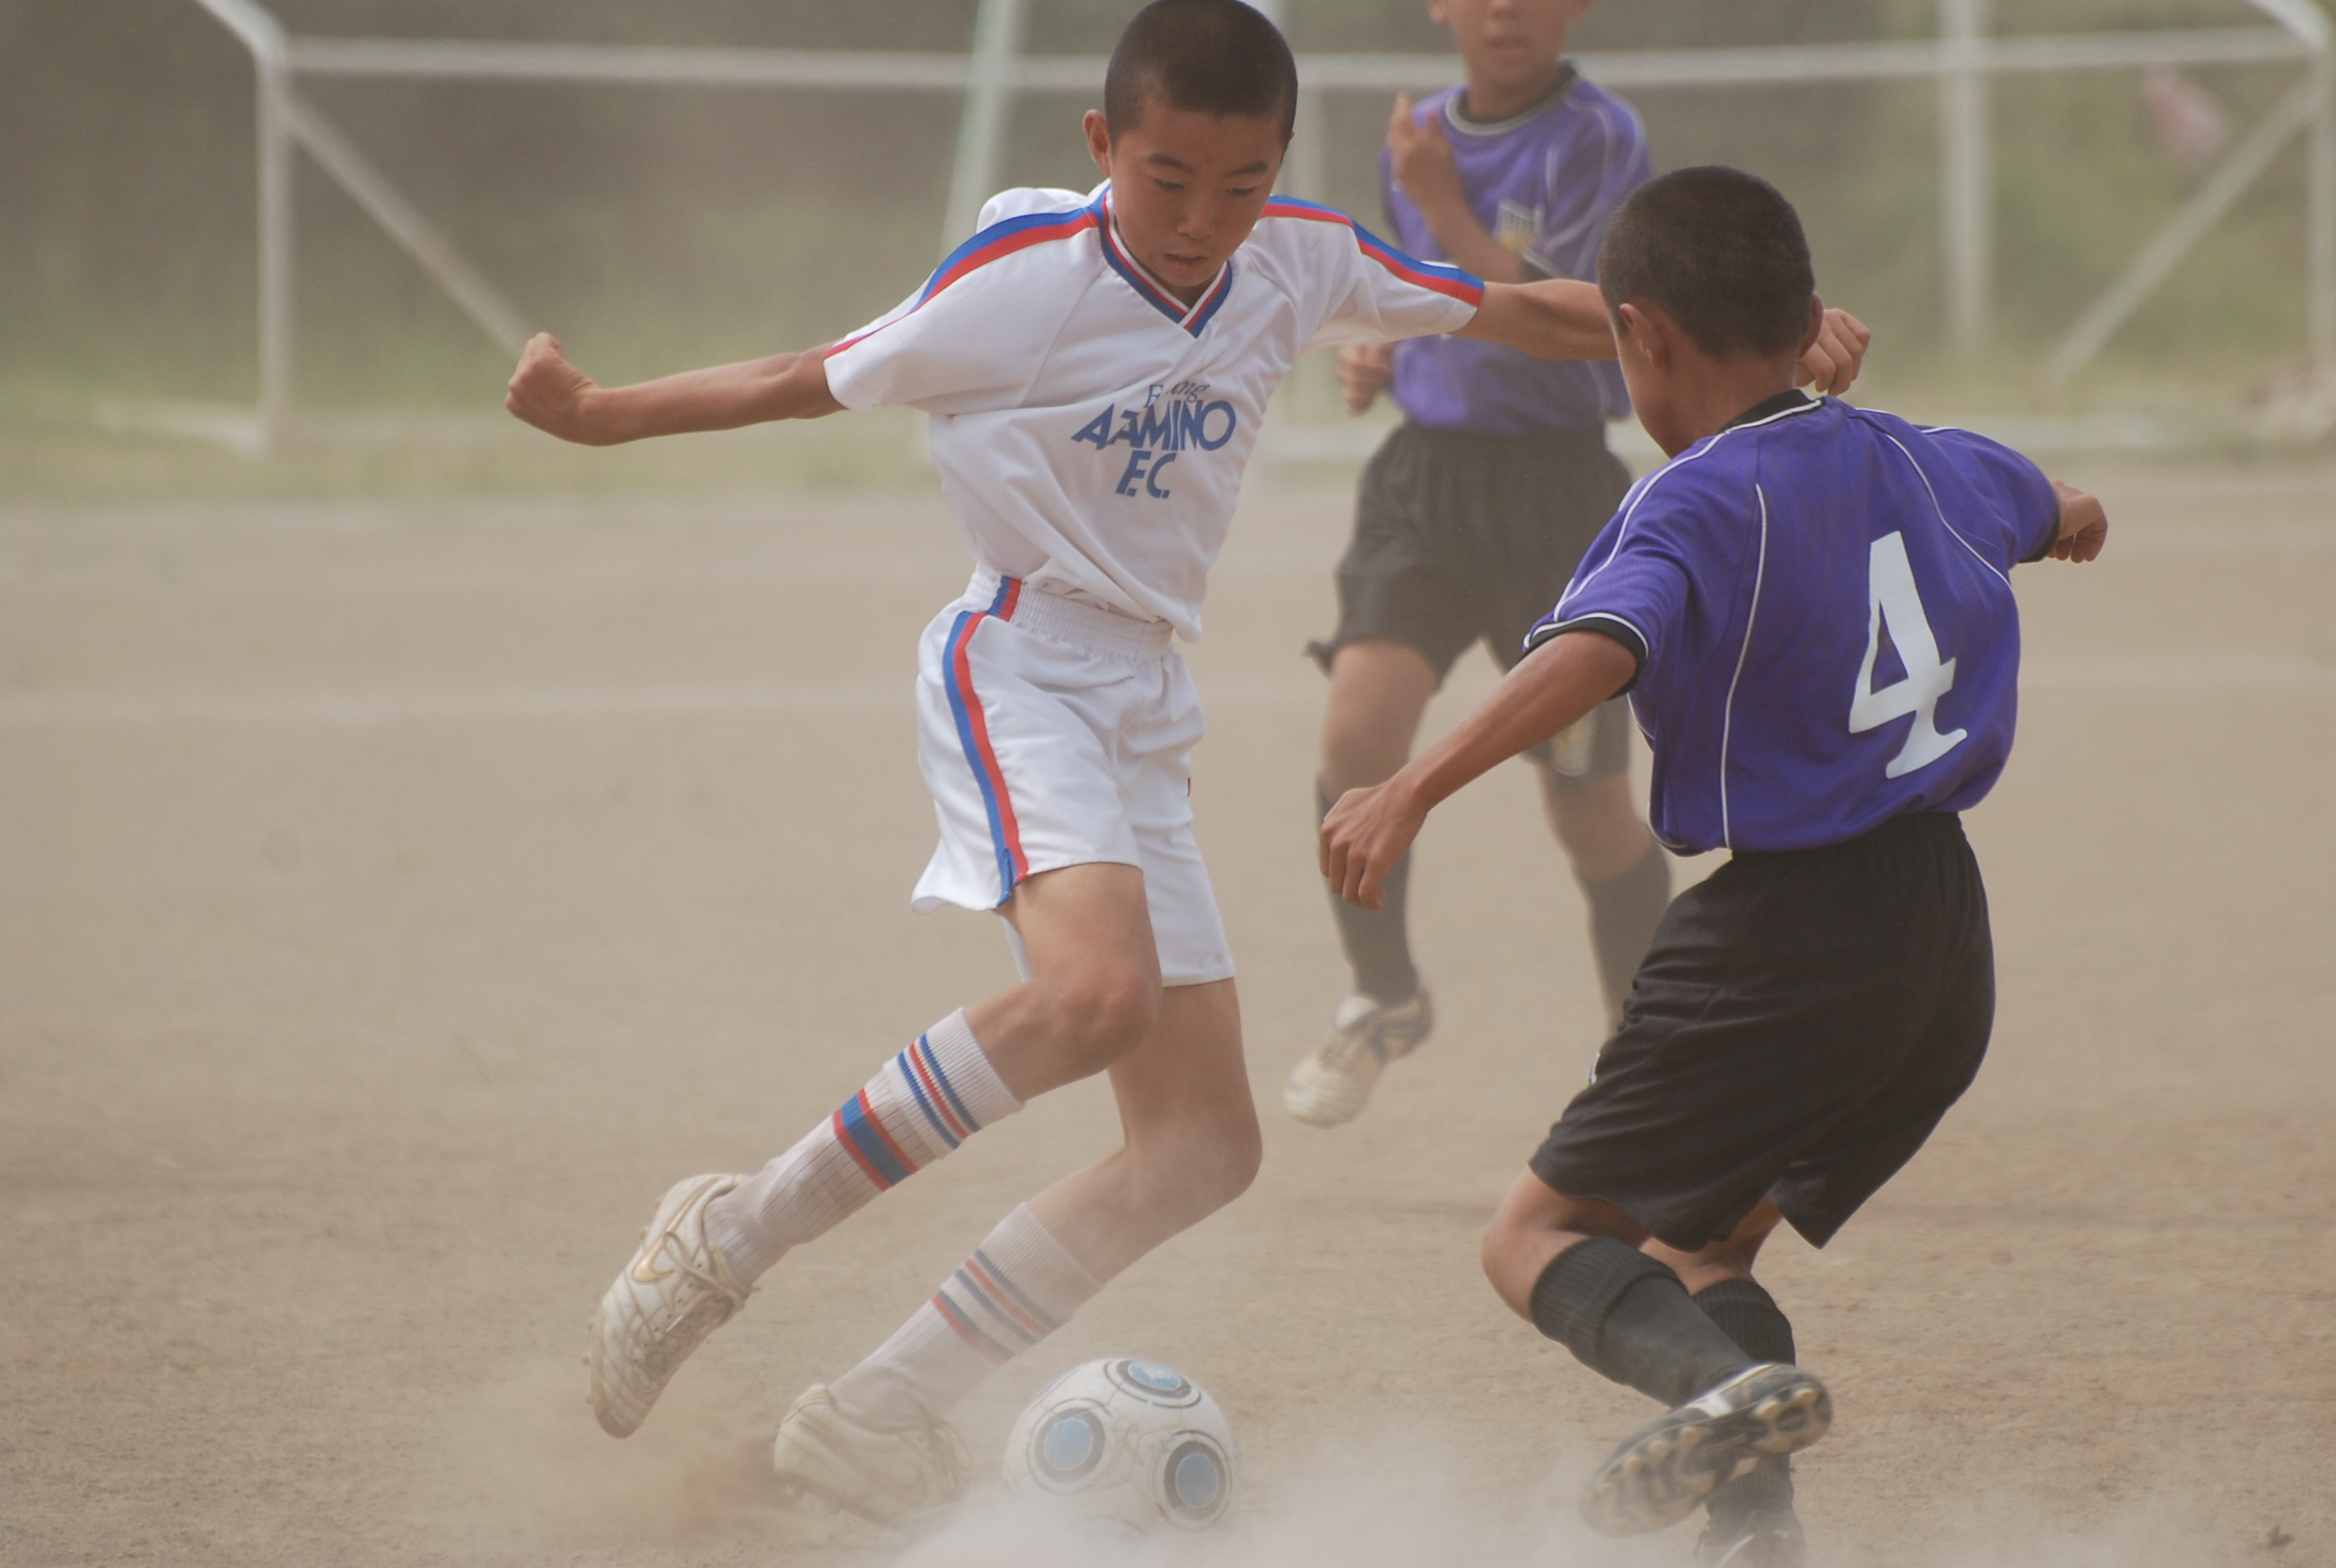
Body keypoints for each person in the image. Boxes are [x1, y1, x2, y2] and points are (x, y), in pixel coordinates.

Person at [505, 0, 1870, 1532]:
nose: (1204, 218)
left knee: (1203, 1148)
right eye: (1168, 178)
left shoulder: (1298, 256)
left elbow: (1523, 311)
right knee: (1095, 996)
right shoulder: (1025, 275)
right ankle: (725, 1238)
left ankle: (874, 1412)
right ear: (1104, 144)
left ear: (1280, 163)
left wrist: (1761, 345)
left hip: (1145, 701)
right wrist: (601, 415)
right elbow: (807, 371)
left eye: (1242, 181)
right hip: (1019, 661)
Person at [1320, 165, 2107, 1567]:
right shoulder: (1930, 455)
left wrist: (1412, 786)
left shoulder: (1689, 503)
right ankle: (1756, 1534)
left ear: (1641, 337)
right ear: (1809, 322)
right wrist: (2060, 522)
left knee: (1532, 1239)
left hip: (1785, 940)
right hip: (1945, 943)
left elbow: (1595, 649)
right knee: (1699, 1250)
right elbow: (2065, 506)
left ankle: (1714, 1392)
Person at [1288, 0, 1671, 1130]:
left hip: (1559, 497)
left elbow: (1563, 321)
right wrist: (1380, 350)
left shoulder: (1599, 137)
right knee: (1358, 734)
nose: (1509, 10)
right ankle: (1384, 995)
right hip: (1428, 484)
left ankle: (1651, 1060)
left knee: (1588, 808)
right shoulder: (1416, 140)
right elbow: (1425, 295)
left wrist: (1443, 201)